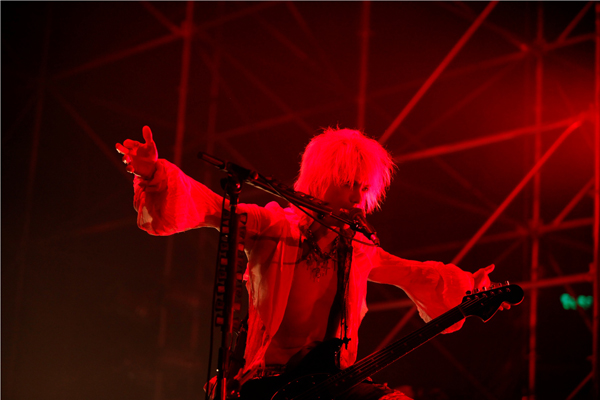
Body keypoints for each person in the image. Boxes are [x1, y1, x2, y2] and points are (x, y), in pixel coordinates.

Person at [116, 126, 502, 400]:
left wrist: (472, 287)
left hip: (333, 382)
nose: (357, 198)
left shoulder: (360, 248)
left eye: (364, 188)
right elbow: (211, 208)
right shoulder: (272, 226)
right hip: (269, 383)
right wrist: (153, 174)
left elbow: (415, 274)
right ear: (320, 179)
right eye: (348, 183)